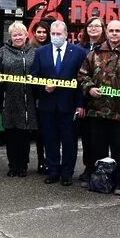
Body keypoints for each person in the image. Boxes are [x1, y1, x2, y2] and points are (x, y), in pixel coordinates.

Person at [78, 19, 120, 195]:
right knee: (96, 149)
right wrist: (90, 88)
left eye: (118, 31)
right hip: (97, 111)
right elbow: (82, 75)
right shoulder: (94, 53)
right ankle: (98, 180)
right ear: (106, 33)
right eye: (111, 31)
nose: (114, 34)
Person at [31, 20, 87, 186]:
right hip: (47, 105)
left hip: (69, 105)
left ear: (66, 34)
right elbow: (33, 76)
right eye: (53, 34)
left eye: (58, 34)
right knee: (50, 139)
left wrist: (80, 104)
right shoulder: (41, 52)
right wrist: (43, 85)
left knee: (69, 141)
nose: (55, 37)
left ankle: (67, 173)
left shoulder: (77, 52)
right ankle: (53, 170)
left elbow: (82, 80)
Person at [0, 22, 38, 177]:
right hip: (10, 99)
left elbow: (39, 70)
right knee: (11, 135)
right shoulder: (3, 51)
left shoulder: (33, 52)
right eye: (15, 35)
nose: (18, 37)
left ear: (26, 35)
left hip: (28, 101)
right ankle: (12, 166)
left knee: (24, 136)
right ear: (10, 37)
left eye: (21, 34)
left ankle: (23, 166)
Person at [76, 17, 106, 185]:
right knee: (87, 137)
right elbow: (78, 77)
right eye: (90, 26)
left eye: (97, 26)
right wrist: (80, 102)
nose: (93, 29)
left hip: (103, 102)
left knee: (100, 138)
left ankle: (102, 169)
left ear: (103, 29)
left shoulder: (107, 48)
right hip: (85, 99)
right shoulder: (80, 48)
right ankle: (89, 168)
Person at [30, 19, 52, 174]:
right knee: (40, 132)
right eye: (39, 32)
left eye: (45, 32)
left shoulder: (53, 48)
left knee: (50, 132)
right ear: (34, 33)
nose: (42, 35)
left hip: (53, 94)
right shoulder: (30, 48)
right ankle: (41, 161)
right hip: (37, 95)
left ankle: (51, 160)